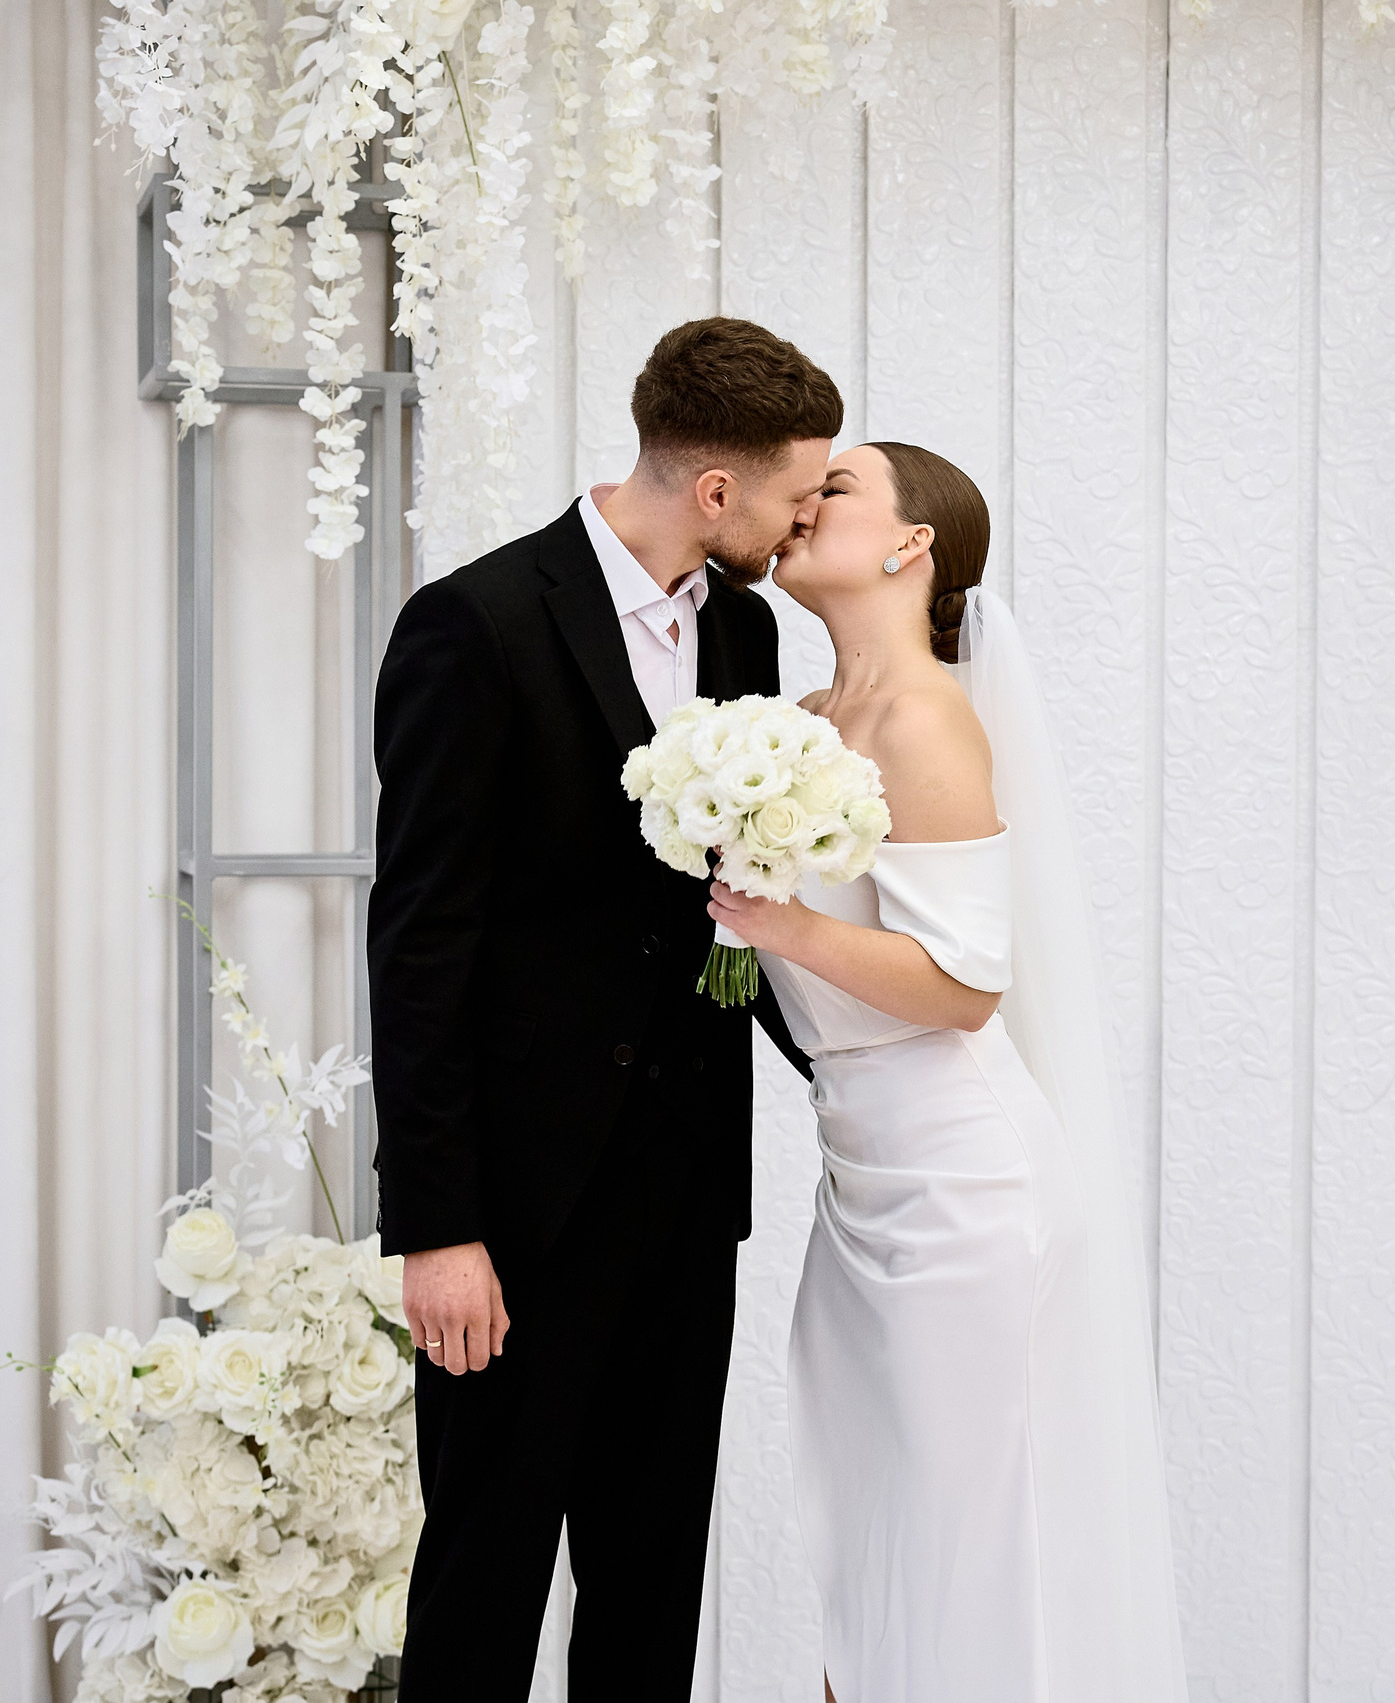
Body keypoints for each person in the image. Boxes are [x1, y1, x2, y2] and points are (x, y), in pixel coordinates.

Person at [368, 317, 837, 1701]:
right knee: (484, 1587)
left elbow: (727, 910)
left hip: (686, 1201)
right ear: (715, 491)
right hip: (512, 1214)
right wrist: (439, 1225)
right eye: (794, 493)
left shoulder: (743, 627)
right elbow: (422, 939)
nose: (802, 516)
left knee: (649, 1588)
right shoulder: (476, 622)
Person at [708, 442, 1191, 1702]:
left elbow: (964, 978)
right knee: (869, 1549)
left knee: (962, 1550)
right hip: (858, 1183)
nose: (805, 501)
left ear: (911, 547)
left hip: (962, 1189)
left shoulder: (925, 715)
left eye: (841, 487)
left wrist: (780, 923)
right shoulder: (799, 728)